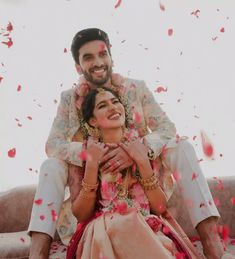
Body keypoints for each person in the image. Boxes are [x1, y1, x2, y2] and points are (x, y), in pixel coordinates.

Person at [28, 28, 231, 259]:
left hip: (140, 181)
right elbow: (53, 144)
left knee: (182, 146)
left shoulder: (136, 88)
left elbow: (167, 129)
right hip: (90, 182)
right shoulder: (68, 99)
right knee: (50, 165)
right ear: (78, 67)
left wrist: (136, 150)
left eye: (102, 54)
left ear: (111, 56)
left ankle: (212, 243)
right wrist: (93, 154)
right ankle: (38, 253)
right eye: (88, 57)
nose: (98, 62)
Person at [66, 86, 202, 258]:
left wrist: (143, 161)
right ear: (93, 120)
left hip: (145, 227)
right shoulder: (85, 152)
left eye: (115, 102)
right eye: (103, 105)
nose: (113, 107)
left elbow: (159, 208)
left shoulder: (143, 146)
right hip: (106, 231)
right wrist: (92, 165)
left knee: (136, 227)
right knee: (123, 224)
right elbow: (81, 214)